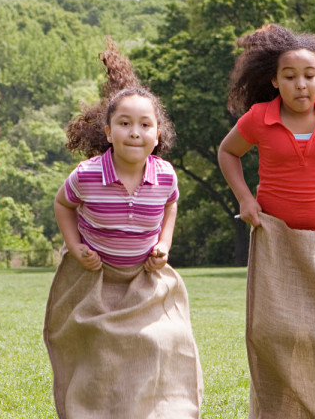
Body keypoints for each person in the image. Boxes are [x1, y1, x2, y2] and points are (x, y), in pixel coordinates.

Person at [217, 24, 315, 418]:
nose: (300, 85)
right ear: (274, 80)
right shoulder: (259, 118)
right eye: (289, 77)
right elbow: (227, 152)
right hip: (275, 239)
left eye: (309, 76)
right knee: (270, 331)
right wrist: (245, 198)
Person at [44, 39, 202, 418]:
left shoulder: (165, 175)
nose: (135, 132)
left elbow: (171, 204)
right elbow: (63, 204)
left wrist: (164, 243)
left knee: (166, 339)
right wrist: (75, 245)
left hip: (145, 278)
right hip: (96, 279)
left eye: (145, 124)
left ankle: (162, 410)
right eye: (125, 123)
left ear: (157, 134)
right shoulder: (87, 175)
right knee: (99, 350)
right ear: (109, 130)